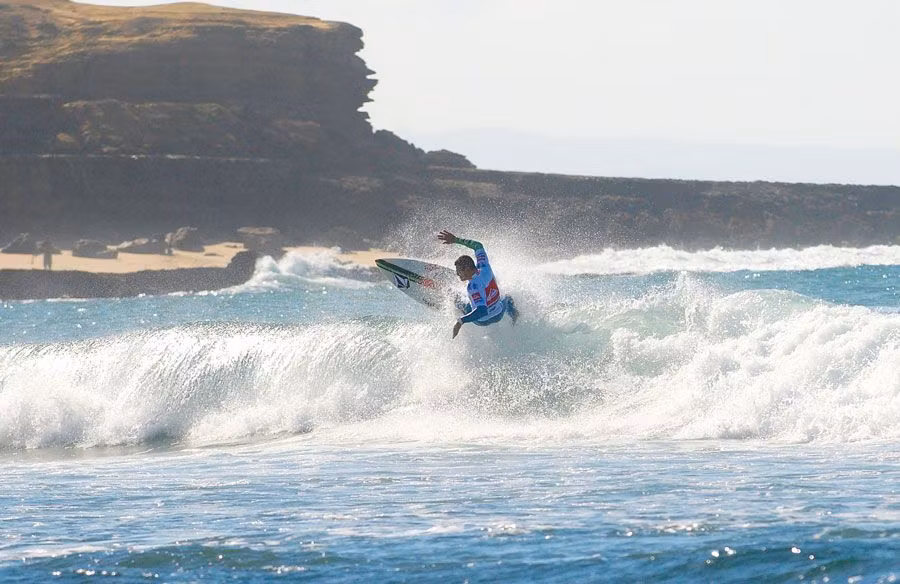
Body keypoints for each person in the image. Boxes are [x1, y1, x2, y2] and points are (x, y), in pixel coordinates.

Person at [438, 230, 519, 338]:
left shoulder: (473, 287)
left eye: (459, 271)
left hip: (482, 321)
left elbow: (482, 311)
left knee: (458, 300)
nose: (457, 274)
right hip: (498, 314)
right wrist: (456, 240)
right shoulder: (484, 266)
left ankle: (458, 307)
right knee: (508, 298)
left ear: (467, 269)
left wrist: (460, 322)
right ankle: (514, 317)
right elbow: (477, 245)